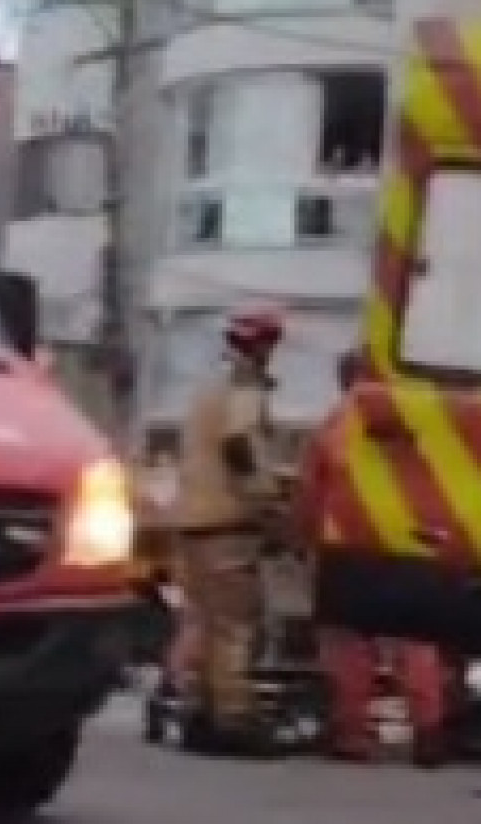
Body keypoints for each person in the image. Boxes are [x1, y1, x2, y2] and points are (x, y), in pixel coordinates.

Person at [316, 348, 448, 764]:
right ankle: (429, 730)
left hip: (349, 545)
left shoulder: (335, 427)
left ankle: (353, 734)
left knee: (350, 643)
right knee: (416, 640)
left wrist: (302, 536)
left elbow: (313, 487)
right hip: (411, 543)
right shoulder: (423, 424)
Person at [172, 307, 287, 752]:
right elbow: (240, 443)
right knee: (236, 625)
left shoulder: (207, 384)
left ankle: (200, 713)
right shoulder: (244, 384)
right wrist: (266, 500)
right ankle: (234, 719)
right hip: (227, 520)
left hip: (193, 520)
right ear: (263, 345)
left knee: (203, 621)